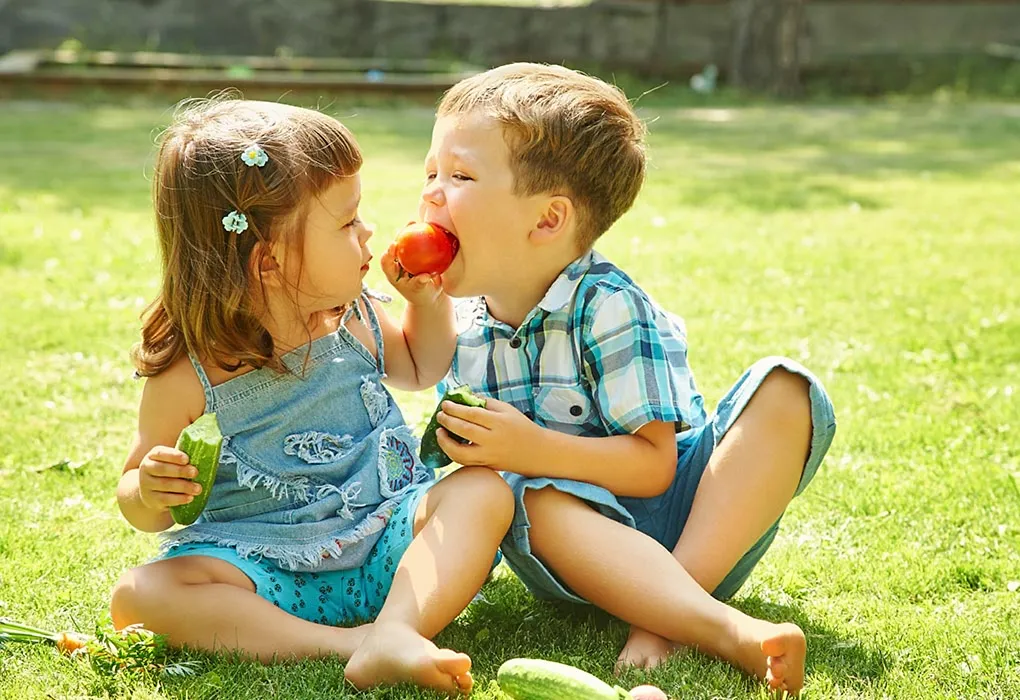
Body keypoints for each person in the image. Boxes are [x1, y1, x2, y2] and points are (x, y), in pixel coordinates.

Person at [421, 63, 837, 695]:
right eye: (431, 173)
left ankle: (674, 616)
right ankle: (710, 626)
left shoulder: (609, 306)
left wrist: (531, 448)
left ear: (548, 220)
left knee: (786, 387)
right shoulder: (461, 324)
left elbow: (654, 466)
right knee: (525, 494)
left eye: (459, 176)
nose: (430, 194)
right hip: (574, 543)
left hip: (690, 523)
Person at [109, 98, 513, 695]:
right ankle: (353, 644)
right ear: (268, 261)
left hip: (388, 543)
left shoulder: (354, 318)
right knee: (139, 596)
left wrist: (425, 304)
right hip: (268, 572)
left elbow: (423, 366)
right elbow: (143, 502)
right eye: (348, 222)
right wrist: (148, 489)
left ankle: (399, 623)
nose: (369, 231)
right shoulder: (190, 374)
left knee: (482, 491)